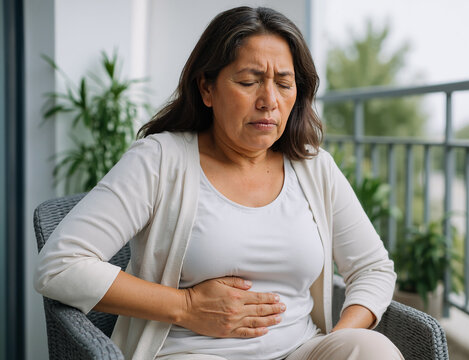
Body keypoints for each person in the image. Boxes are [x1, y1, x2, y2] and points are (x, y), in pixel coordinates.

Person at [35, 6, 403, 360]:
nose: (269, 101)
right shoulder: (160, 159)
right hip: (192, 352)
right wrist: (187, 306)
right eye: (249, 81)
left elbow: (372, 268)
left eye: (284, 84)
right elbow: (60, 265)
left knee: (371, 350)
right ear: (207, 90)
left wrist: (339, 341)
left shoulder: (314, 167)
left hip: (300, 350)